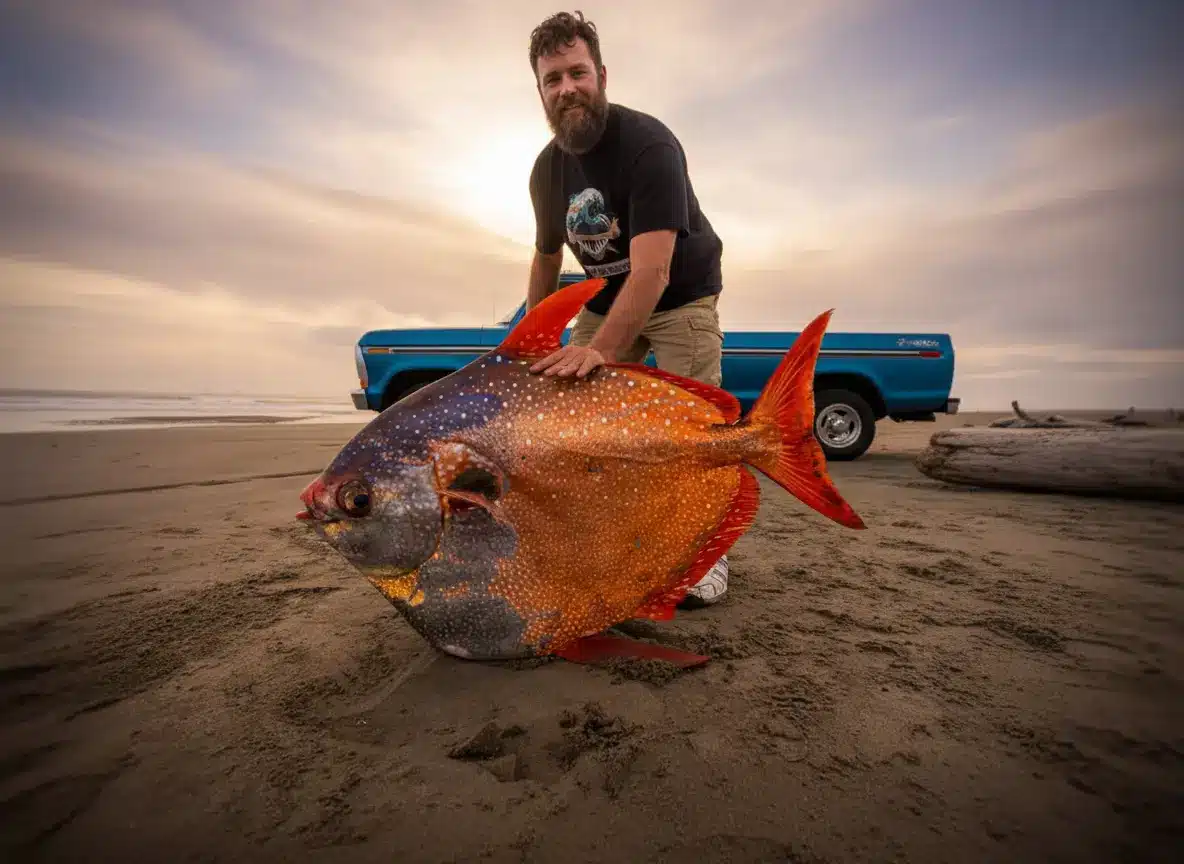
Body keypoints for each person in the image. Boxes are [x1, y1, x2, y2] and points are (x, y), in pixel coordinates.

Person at [523, 10, 729, 608]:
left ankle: (708, 554)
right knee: (573, 415)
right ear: (540, 92)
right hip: (608, 295)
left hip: (680, 292)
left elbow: (653, 272)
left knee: (694, 427)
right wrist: (534, 340)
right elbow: (545, 259)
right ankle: (610, 536)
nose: (567, 88)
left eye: (577, 72)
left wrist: (600, 351)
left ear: (602, 76)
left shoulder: (649, 145)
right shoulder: (547, 170)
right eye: (553, 79)